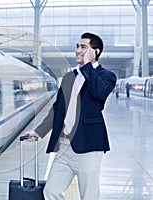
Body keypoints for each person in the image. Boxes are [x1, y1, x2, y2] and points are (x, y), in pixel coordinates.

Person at [24, 32, 116, 200]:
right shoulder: (69, 77)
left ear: (95, 52)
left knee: (89, 195)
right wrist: (39, 131)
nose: (78, 51)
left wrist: (88, 65)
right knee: (51, 191)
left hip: (89, 146)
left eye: (83, 47)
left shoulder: (106, 76)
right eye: (77, 47)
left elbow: (99, 92)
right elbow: (57, 108)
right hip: (64, 146)